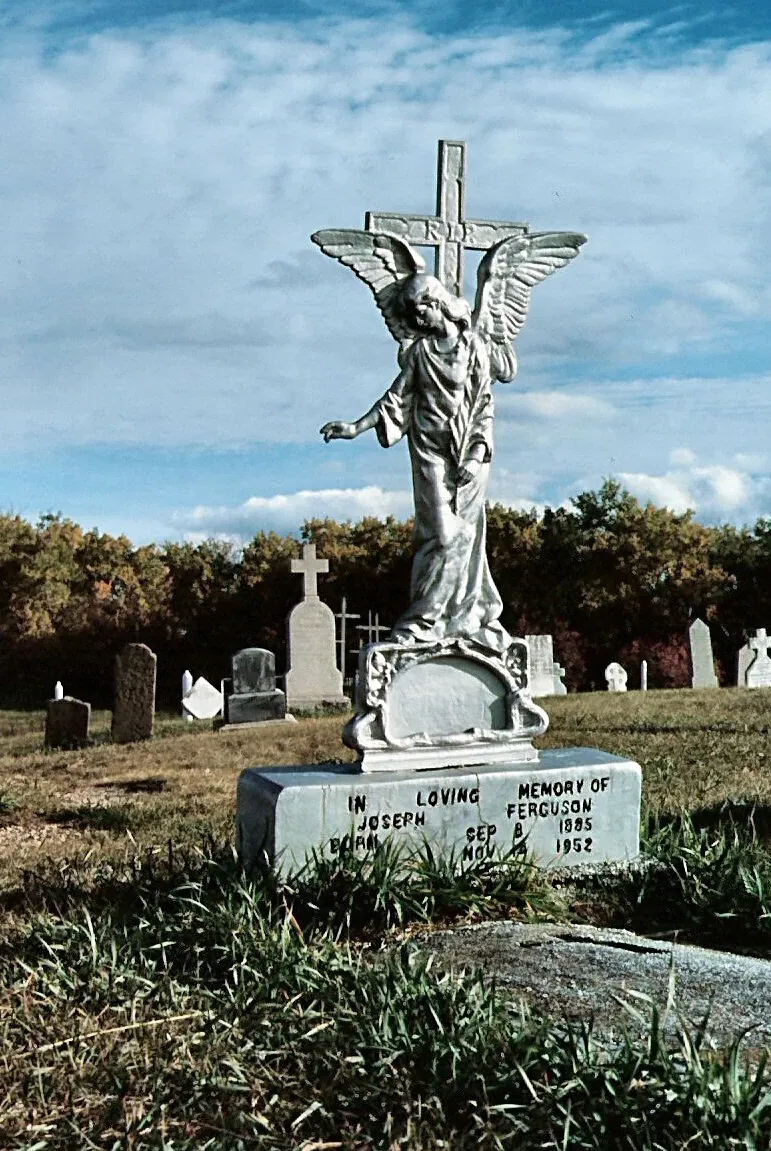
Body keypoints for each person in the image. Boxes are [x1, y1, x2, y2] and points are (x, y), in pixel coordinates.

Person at [321, 273, 513, 652]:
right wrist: (356, 427)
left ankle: (464, 616)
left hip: (470, 452)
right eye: (412, 310)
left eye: (422, 306)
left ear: (438, 302)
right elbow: (396, 399)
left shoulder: (473, 347)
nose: (417, 315)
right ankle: (424, 620)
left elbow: (484, 408)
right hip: (429, 449)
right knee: (440, 534)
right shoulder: (420, 353)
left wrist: (476, 456)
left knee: (466, 537)